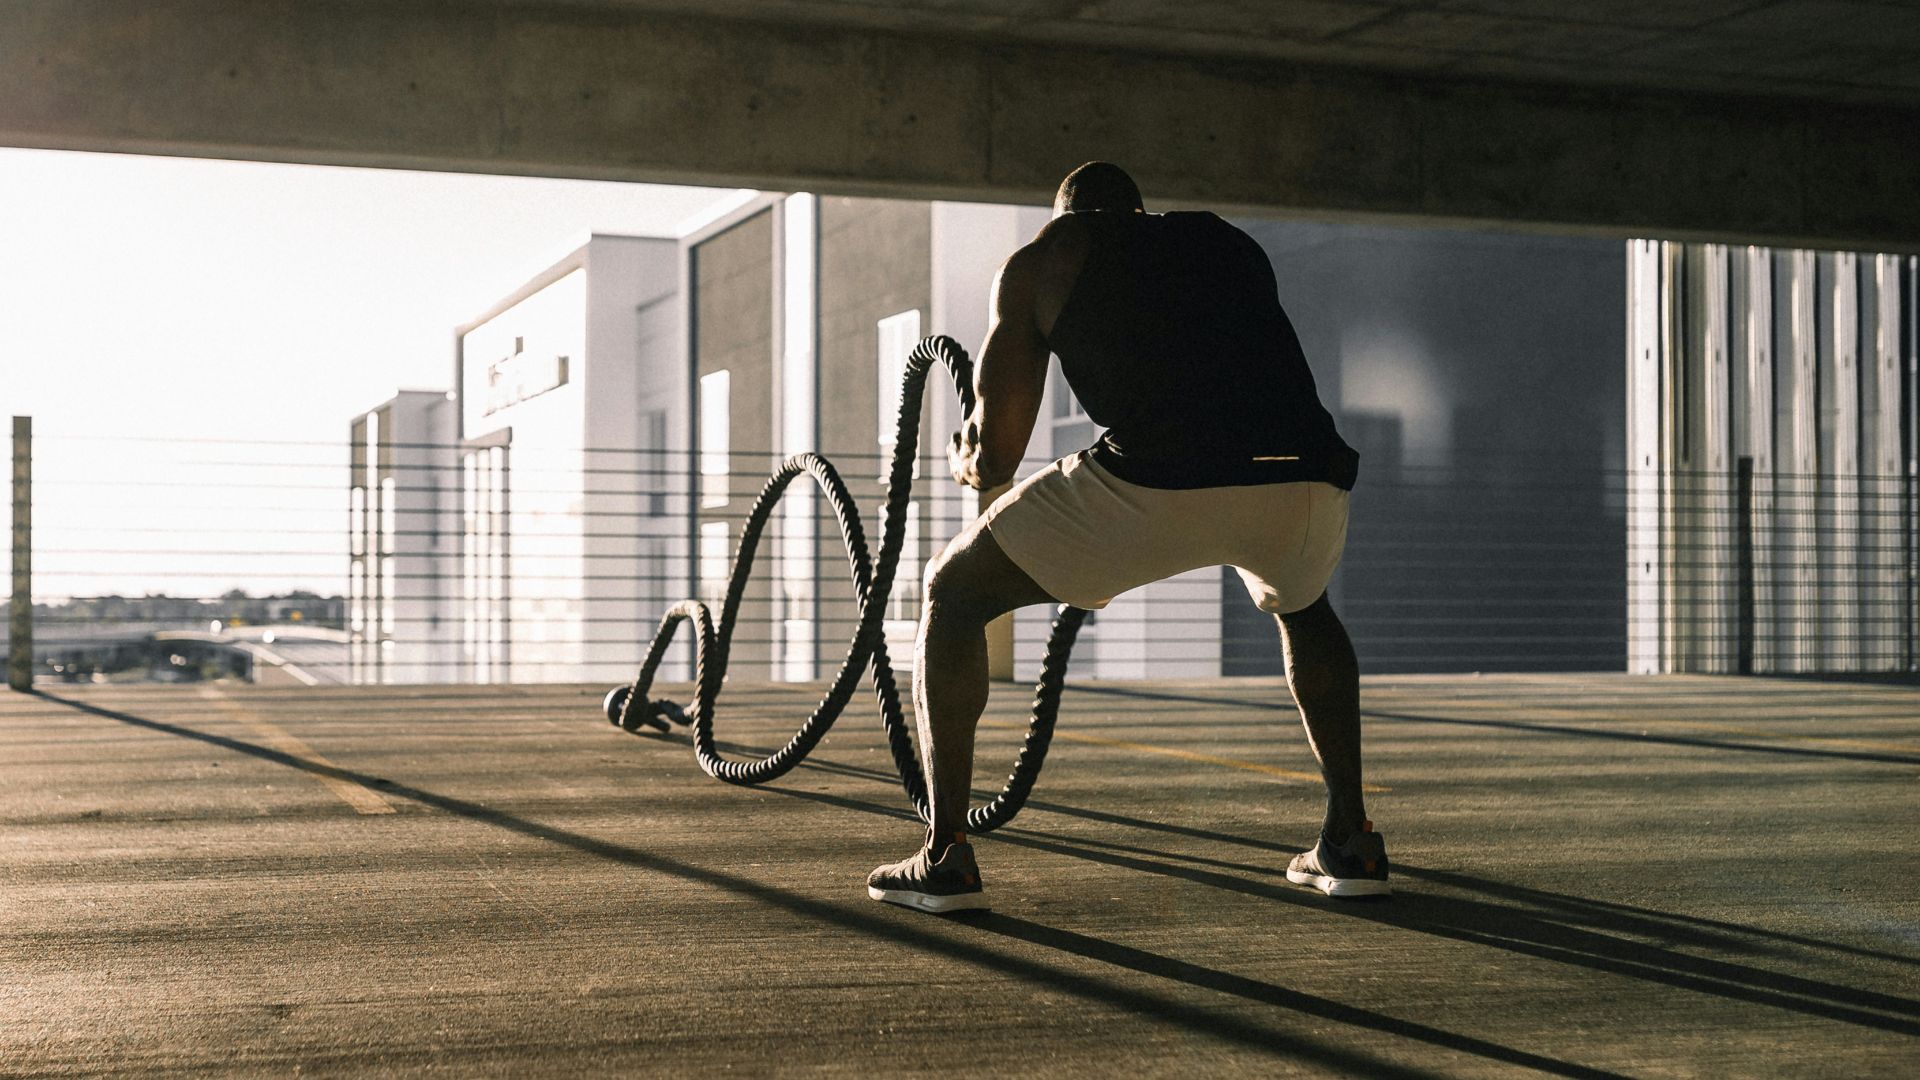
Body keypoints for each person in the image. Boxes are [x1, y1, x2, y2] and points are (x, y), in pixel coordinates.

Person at [865, 162, 1386, 914]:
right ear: (1140, 210)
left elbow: (1000, 454)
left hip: (1159, 480)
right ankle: (1353, 838)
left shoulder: (1047, 256)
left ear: (1064, 212)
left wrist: (966, 455)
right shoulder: (1223, 241)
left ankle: (944, 855)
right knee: (1306, 610)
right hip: (1305, 475)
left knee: (954, 592)